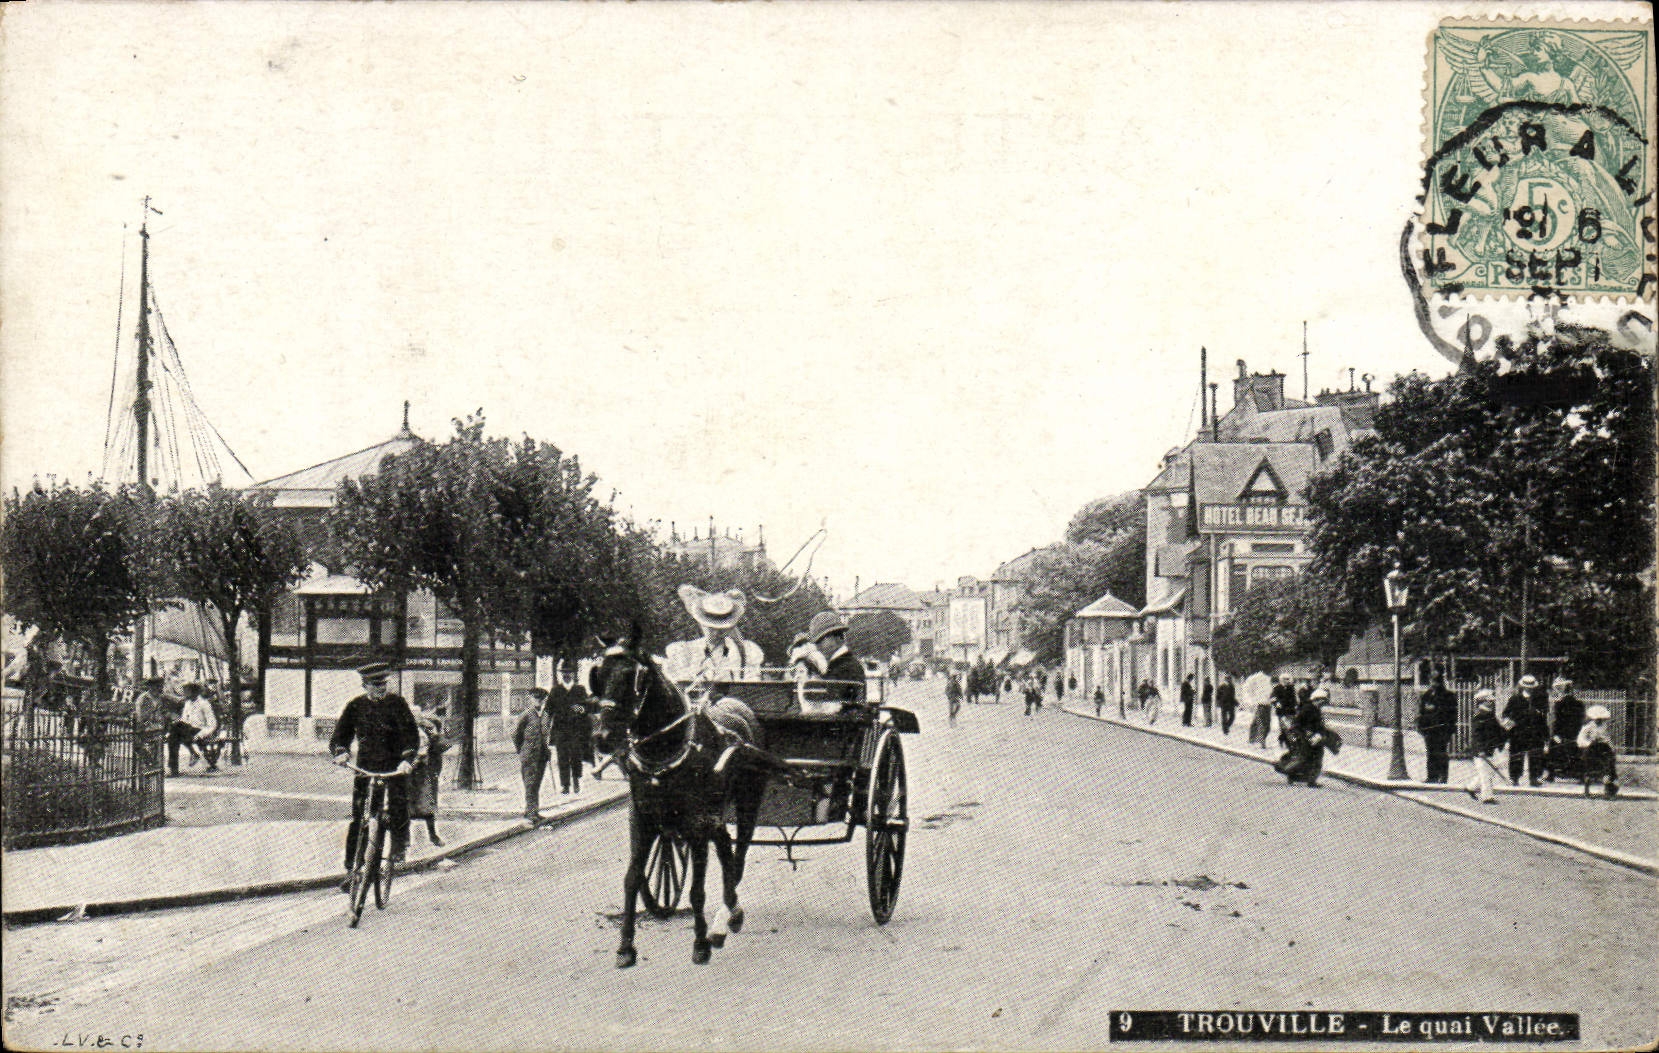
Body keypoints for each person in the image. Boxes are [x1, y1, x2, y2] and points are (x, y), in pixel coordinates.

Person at [330, 662, 420, 873]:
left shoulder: (397, 704)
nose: (381, 688)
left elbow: (411, 736)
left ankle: (398, 848)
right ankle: (352, 867)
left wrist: (407, 759)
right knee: (359, 816)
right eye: (375, 684)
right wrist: (341, 752)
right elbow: (340, 735)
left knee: (398, 804)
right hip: (365, 768)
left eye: (383, 684)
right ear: (365, 685)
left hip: (394, 766)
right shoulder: (355, 706)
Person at [662, 585, 765, 685]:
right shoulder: (685, 651)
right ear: (701, 624)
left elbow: (751, 683)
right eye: (710, 628)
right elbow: (674, 684)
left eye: (721, 629)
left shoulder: (745, 652)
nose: (716, 633)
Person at [1274, 686, 1336, 787]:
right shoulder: (1308, 708)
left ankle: (1297, 776)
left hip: (1313, 737)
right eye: (1322, 701)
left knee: (1312, 758)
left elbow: (1316, 724)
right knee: (1313, 758)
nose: (1323, 703)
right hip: (1306, 737)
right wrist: (1307, 733)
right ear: (1317, 699)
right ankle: (1303, 777)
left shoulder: (1314, 709)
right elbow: (1297, 723)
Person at [548, 660, 592, 795]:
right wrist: (544, 727)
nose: (566, 675)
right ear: (561, 675)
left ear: (573, 674)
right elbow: (549, 710)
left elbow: (589, 706)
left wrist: (582, 708)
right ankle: (565, 785)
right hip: (560, 730)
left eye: (569, 672)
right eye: (564, 673)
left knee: (575, 755)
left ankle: (576, 780)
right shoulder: (556, 690)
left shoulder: (580, 690)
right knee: (562, 757)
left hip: (576, 730)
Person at [407, 701, 448, 847]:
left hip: (422, 772)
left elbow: (438, 748)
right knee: (406, 806)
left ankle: (433, 835)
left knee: (427, 805)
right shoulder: (404, 731)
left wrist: (436, 734)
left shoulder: (427, 730)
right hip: (408, 773)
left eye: (417, 716)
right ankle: (407, 839)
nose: (416, 718)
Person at [806, 611, 866, 707]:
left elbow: (830, 706)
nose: (817, 646)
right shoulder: (844, 664)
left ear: (837, 637)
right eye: (816, 642)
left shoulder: (845, 668)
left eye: (821, 640)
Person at [514, 687, 553, 823]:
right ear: (531, 699)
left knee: (537, 783)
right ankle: (531, 812)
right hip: (529, 755)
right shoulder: (526, 715)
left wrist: (547, 750)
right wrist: (522, 750)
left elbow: (545, 735)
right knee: (530, 783)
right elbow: (516, 735)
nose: (538, 702)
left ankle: (533, 810)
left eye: (541, 699)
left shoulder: (546, 715)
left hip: (541, 755)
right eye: (536, 699)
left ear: (544, 700)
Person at [1505, 674, 1550, 787]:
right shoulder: (1515, 699)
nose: (1529, 688)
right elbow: (1505, 714)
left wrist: (1545, 735)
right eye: (1527, 686)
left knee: (1535, 755)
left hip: (1535, 732)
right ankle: (1514, 777)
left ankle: (1534, 778)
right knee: (1516, 755)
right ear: (1522, 687)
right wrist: (1511, 728)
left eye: (1531, 686)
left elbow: (1545, 717)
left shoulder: (1541, 699)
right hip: (1518, 733)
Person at [1465, 689, 1508, 804]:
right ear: (1481, 701)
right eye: (1488, 701)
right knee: (1485, 773)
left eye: (1491, 701)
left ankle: (1471, 787)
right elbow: (1477, 735)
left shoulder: (1489, 714)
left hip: (1489, 749)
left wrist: (1505, 730)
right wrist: (1480, 749)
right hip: (1481, 751)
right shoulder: (1479, 715)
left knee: (1488, 772)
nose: (1491, 702)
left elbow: (1497, 731)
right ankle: (1487, 797)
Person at [1416, 670, 1457, 784]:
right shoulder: (1427, 695)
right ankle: (1432, 776)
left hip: (1442, 730)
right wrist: (1421, 726)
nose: (1433, 683)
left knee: (1441, 753)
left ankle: (1443, 777)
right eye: (1432, 681)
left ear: (1440, 682)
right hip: (1429, 730)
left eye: (1436, 681)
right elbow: (1422, 712)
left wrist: (1449, 730)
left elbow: (1452, 715)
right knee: (1430, 753)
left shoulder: (1448, 696)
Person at [170, 683, 219, 775]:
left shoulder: (204, 704)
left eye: (187, 691)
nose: (185, 694)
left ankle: (192, 753)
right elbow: (184, 720)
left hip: (199, 730)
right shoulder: (187, 704)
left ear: (194, 692)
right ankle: (174, 769)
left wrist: (200, 735)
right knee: (173, 736)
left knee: (175, 731)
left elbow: (212, 724)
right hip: (187, 730)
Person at [1546, 678, 1585, 783]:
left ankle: (1551, 775)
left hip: (1562, 733)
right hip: (1575, 733)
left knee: (1553, 750)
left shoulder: (1559, 704)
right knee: (1576, 752)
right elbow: (1581, 720)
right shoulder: (1579, 704)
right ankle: (1580, 775)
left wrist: (1554, 734)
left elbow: (1557, 721)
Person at [1576, 704, 1619, 797]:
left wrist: (1611, 747)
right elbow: (1580, 739)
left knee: (1609, 765)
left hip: (1602, 748)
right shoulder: (1588, 727)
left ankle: (1608, 789)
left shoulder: (1604, 727)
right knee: (1590, 768)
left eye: (1601, 719)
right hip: (1592, 749)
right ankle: (1587, 789)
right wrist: (1589, 743)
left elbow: (1607, 739)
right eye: (1598, 718)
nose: (1600, 720)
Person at [1244, 671, 1274, 748]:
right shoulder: (1256, 680)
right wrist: (1251, 703)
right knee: (1261, 724)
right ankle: (1261, 742)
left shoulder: (1268, 682)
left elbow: (1272, 695)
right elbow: (1248, 690)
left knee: (1265, 725)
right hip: (1260, 706)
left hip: (1268, 706)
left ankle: (1253, 739)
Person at [1270, 675, 1298, 747]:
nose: (1287, 681)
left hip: (1290, 710)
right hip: (1281, 711)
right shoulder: (1277, 688)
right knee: (1284, 727)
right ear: (1281, 680)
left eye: (1288, 679)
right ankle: (1286, 742)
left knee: (1290, 726)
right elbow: (1272, 698)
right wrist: (1276, 703)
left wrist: (1296, 705)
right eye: (1285, 679)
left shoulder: (1291, 688)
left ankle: (1283, 739)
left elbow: (1294, 698)